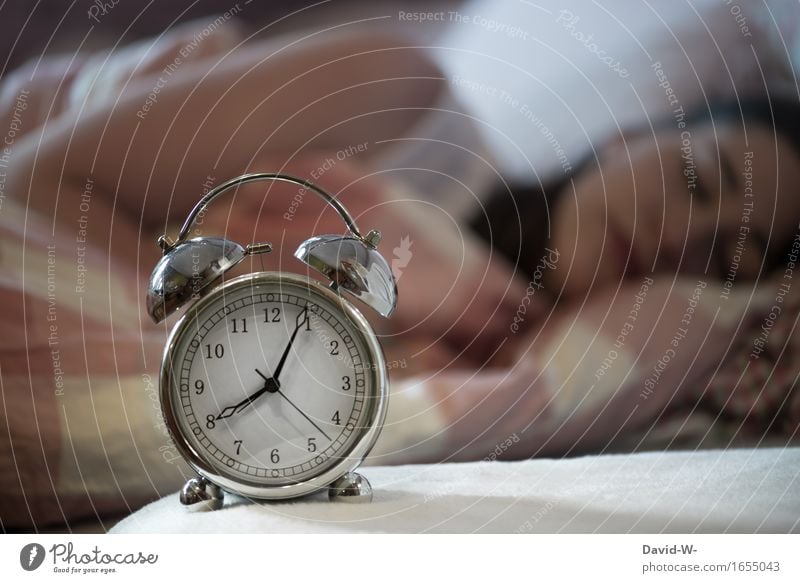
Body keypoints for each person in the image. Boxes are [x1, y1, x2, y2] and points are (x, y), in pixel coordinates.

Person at [1, 22, 798, 528]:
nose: (684, 235)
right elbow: (37, 186)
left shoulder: (554, 400)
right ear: (637, 133)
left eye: (733, 256)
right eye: (700, 179)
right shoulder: (405, 101)